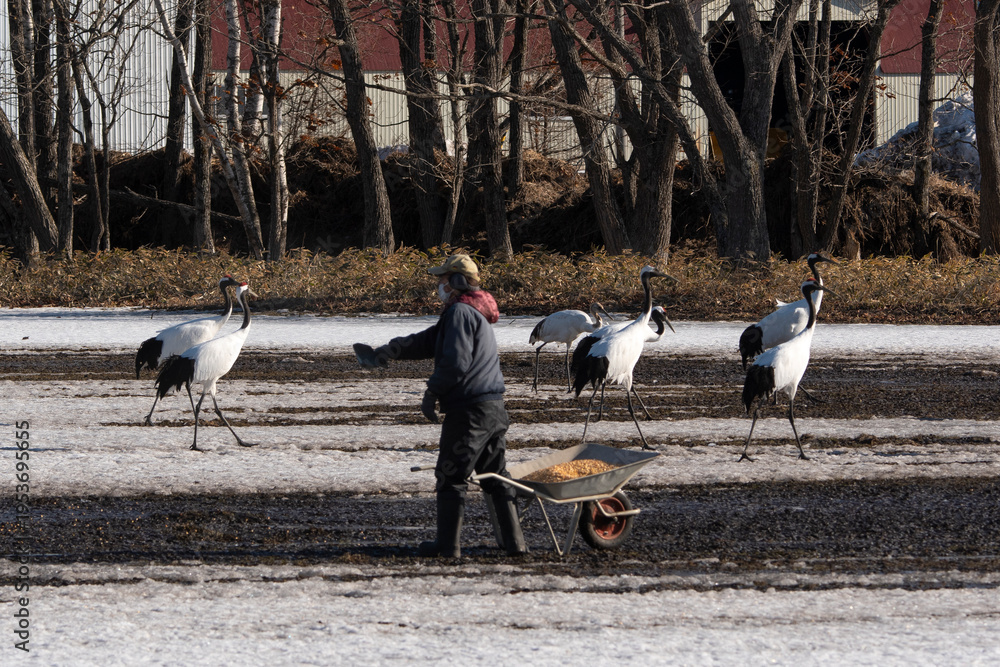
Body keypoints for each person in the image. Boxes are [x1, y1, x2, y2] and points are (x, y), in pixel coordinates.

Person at [354, 254, 527, 558]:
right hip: (493, 408)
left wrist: (431, 393)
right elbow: (427, 341)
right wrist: (385, 352)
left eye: (442, 279)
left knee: (450, 476)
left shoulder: (459, 313)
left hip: (469, 411)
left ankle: (448, 546)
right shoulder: (468, 312)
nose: (438, 285)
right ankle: (516, 544)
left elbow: (455, 363)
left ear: (456, 282)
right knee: (495, 476)